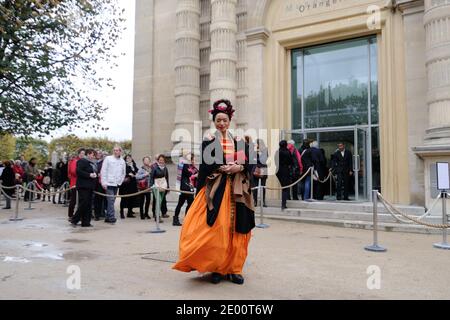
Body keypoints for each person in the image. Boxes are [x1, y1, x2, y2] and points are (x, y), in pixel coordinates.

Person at [173, 99, 255, 285]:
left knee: (238, 228)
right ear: (214, 121)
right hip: (217, 189)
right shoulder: (209, 140)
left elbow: (249, 163)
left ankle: (234, 269)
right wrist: (204, 187)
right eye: (218, 120)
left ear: (230, 120)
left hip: (237, 190)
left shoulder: (239, 140)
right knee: (218, 229)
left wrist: (238, 167)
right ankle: (217, 267)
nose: (222, 123)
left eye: (225, 120)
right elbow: (205, 167)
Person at [71, 149, 98, 227]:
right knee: (83, 203)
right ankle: (74, 219)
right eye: (93, 155)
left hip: (90, 186)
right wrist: (89, 175)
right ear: (88, 154)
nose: (93, 157)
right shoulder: (82, 161)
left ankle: (86, 222)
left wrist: (95, 174)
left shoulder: (92, 163)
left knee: (88, 205)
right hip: (83, 186)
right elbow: (78, 171)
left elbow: (94, 172)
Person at [100, 145, 126, 224]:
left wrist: (120, 182)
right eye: (114, 150)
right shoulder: (108, 159)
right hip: (109, 183)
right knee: (111, 200)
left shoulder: (122, 161)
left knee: (112, 201)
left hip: (117, 184)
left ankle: (107, 217)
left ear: (120, 151)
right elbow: (103, 170)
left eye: (117, 150)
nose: (115, 151)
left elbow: (123, 172)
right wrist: (103, 182)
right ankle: (111, 217)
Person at [173, 153, 198, 226]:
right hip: (185, 187)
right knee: (182, 203)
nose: (193, 160)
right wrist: (195, 175)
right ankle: (177, 219)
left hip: (189, 187)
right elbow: (189, 174)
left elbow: (197, 172)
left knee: (189, 204)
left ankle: (185, 218)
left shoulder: (192, 166)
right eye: (192, 159)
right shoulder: (183, 165)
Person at [150, 154, 170, 221]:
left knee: (161, 201)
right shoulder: (154, 167)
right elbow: (151, 177)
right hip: (156, 185)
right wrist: (151, 186)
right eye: (160, 160)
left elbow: (167, 178)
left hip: (163, 185)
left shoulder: (165, 168)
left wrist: (168, 187)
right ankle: (157, 216)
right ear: (158, 160)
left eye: (163, 160)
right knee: (158, 200)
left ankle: (158, 215)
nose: (161, 161)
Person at [119, 154, 139, 219]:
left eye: (130, 158)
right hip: (125, 184)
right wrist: (128, 174)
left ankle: (129, 212)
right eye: (127, 158)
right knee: (124, 199)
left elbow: (136, 171)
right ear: (125, 159)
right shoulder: (123, 165)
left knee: (131, 198)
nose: (129, 159)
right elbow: (121, 173)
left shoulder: (133, 164)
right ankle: (121, 212)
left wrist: (133, 168)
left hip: (132, 184)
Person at [275, 140, 294, 210]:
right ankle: (283, 204)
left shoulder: (277, 152)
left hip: (278, 171)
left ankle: (286, 200)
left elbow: (275, 161)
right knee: (285, 188)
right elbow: (291, 162)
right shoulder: (287, 152)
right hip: (285, 171)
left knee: (284, 187)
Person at [68, 149, 85, 219]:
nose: (82, 155)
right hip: (75, 183)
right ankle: (70, 215)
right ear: (78, 154)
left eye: (83, 153)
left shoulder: (82, 161)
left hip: (80, 183)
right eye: (81, 153)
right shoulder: (74, 161)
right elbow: (72, 171)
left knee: (79, 200)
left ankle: (78, 215)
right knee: (74, 200)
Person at [252, 139, 268, 207]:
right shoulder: (254, 150)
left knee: (263, 187)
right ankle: (255, 201)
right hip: (256, 169)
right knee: (255, 187)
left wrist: (257, 158)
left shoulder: (265, 150)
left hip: (263, 169)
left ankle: (263, 202)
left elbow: (265, 159)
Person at [136, 156, 153, 220]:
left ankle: (146, 213)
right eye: (145, 160)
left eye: (148, 160)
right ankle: (141, 214)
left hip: (148, 188)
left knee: (148, 201)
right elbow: (137, 177)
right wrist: (144, 175)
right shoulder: (141, 169)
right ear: (143, 161)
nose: (147, 161)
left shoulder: (151, 168)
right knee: (141, 202)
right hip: (142, 188)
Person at [93, 151, 107, 221]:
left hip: (103, 183)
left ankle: (103, 214)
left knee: (104, 199)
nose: (98, 154)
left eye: (100, 153)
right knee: (97, 200)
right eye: (97, 153)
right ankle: (97, 215)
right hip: (95, 183)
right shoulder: (93, 162)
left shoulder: (104, 162)